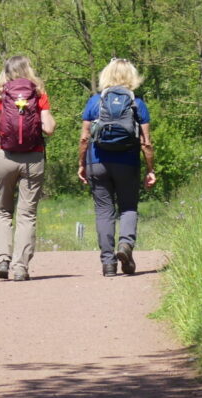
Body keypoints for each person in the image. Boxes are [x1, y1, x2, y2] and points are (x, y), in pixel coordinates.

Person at [77, 58, 156, 277]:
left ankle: (108, 264)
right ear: (132, 77)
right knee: (128, 207)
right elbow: (146, 142)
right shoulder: (137, 103)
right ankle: (125, 246)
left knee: (104, 211)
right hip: (127, 163)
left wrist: (81, 164)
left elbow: (85, 138)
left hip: (97, 162)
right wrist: (150, 169)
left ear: (105, 76)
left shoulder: (95, 102)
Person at [0, 56, 56, 281]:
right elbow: (50, 128)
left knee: (3, 210)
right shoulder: (38, 93)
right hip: (33, 158)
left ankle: (2, 260)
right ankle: (20, 267)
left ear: (6, 71)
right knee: (26, 214)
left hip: (5, 156)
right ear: (28, 70)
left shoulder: (0, 94)